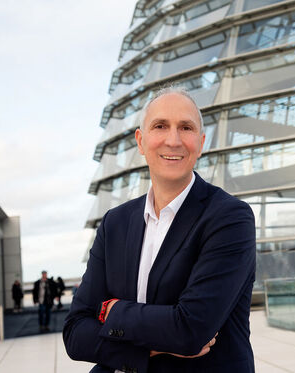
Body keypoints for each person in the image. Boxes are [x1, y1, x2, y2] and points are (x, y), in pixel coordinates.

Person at [63, 86, 256, 373]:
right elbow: (76, 334)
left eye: (186, 128)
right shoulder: (115, 222)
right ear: (141, 141)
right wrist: (153, 345)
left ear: (200, 143)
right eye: (160, 126)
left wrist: (111, 312)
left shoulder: (230, 218)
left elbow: (191, 331)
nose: (173, 140)